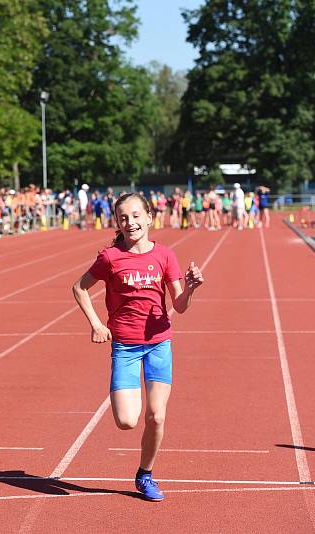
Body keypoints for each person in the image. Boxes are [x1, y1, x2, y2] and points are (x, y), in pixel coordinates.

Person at [71, 192, 204, 502]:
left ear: (149, 218)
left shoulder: (166, 255)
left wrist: (192, 288)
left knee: (156, 416)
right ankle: (143, 467)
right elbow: (78, 288)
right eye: (123, 218)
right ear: (117, 222)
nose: (129, 222)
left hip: (159, 344)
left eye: (135, 216)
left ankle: (145, 474)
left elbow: (179, 305)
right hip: (126, 348)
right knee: (127, 421)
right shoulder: (110, 258)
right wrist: (96, 324)